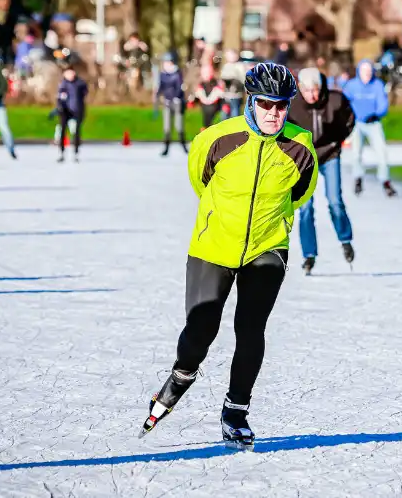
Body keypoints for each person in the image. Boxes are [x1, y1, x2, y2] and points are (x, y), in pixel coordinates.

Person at [140, 62, 317, 450]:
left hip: (268, 245)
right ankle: (182, 374)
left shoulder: (301, 147)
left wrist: (272, 227)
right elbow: (200, 182)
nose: (274, 113)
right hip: (214, 245)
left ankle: (236, 412)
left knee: (251, 329)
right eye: (267, 104)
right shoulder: (217, 138)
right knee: (201, 328)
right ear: (250, 101)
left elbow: (301, 192)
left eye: (283, 106)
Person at [288, 66, 356, 275]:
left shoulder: (335, 100)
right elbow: (283, 128)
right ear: (300, 88)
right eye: (307, 91)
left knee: (335, 201)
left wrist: (338, 139)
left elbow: (349, 119)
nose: (312, 95)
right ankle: (309, 255)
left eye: (315, 90)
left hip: (329, 155)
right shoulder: (292, 105)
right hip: (304, 158)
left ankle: (345, 239)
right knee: (305, 207)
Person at [343, 59, 396, 197]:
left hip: (373, 123)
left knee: (382, 152)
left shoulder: (377, 85)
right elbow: (344, 103)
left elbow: (383, 103)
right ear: (359, 72)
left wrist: (377, 114)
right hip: (357, 123)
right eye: (364, 71)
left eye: (369, 71)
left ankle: (385, 181)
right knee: (356, 153)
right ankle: (358, 178)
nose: (367, 74)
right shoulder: (351, 86)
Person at [55, 62, 88, 163]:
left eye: (71, 73)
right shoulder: (62, 84)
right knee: (63, 130)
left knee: (77, 131)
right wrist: (60, 107)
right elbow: (59, 98)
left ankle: (76, 152)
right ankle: (61, 152)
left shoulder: (80, 83)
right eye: (67, 73)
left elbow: (85, 93)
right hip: (65, 110)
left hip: (77, 109)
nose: (70, 75)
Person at [155, 52, 187, 155]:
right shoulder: (163, 74)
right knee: (167, 126)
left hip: (176, 102)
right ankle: (166, 147)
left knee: (179, 125)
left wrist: (176, 98)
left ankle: (183, 145)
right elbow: (161, 86)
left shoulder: (177, 73)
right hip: (167, 102)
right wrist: (158, 95)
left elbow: (179, 87)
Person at [193, 63, 225, 130]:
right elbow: (197, 95)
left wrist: (223, 105)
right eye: (204, 73)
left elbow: (221, 95)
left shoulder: (215, 83)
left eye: (208, 72)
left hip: (214, 106)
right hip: (204, 106)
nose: (206, 74)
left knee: (212, 121)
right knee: (205, 121)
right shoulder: (201, 84)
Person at [220, 49, 247, 119]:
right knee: (224, 113)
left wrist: (235, 79)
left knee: (235, 113)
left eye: (231, 55)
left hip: (236, 94)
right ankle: (226, 128)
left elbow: (243, 78)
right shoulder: (226, 66)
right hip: (226, 94)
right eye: (228, 56)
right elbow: (222, 77)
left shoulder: (240, 66)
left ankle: (235, 128)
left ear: (236, 56)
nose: (229, 57)